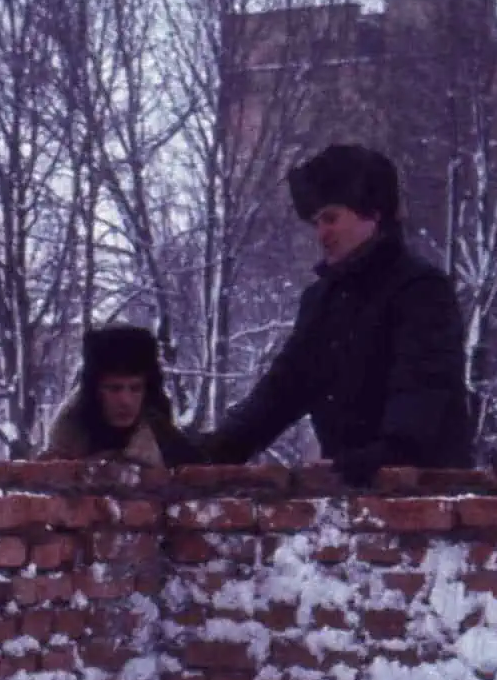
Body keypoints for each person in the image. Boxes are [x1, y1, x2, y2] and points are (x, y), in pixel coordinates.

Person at [201, 143, 472, 487]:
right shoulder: (322, 301)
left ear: (372, 215)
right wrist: (216, 449)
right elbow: (283, 389)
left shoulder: (420, 290)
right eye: (316, 222)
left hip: (427, 496)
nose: (322, 234)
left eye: (331, 218)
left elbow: (423, 387)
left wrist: (387, 452)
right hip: (355, 499)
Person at [43, 325, 200, 468]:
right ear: (95, 390)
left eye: (136, 388)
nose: (125, 401)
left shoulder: (157, 423)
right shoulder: (69, 431)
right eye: (114, 389)